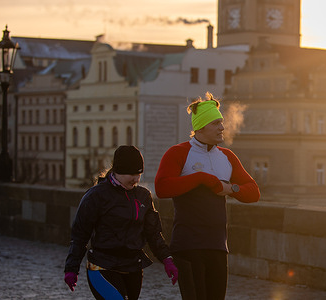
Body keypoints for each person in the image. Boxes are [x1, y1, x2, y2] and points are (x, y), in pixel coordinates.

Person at [155, 92, 260, 300]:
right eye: (216, 123)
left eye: (222, 122)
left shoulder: (227, 157)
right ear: (201, 127)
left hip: (218, 245)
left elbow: (254, 192)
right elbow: (162, 188)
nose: (222, 127)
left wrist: (232, 189)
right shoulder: (178, 153)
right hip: (187, 244)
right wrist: (201, 178)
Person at [64, 145, 178, 300]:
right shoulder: (96, 196)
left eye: (139, 174)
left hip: (133, 268)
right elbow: (80, 235)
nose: (136, 179)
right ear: (118, 171)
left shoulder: (143, 196)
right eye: (131, 174)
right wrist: (71, 268)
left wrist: (167, 259)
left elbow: (153, 233)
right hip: (103, 266)